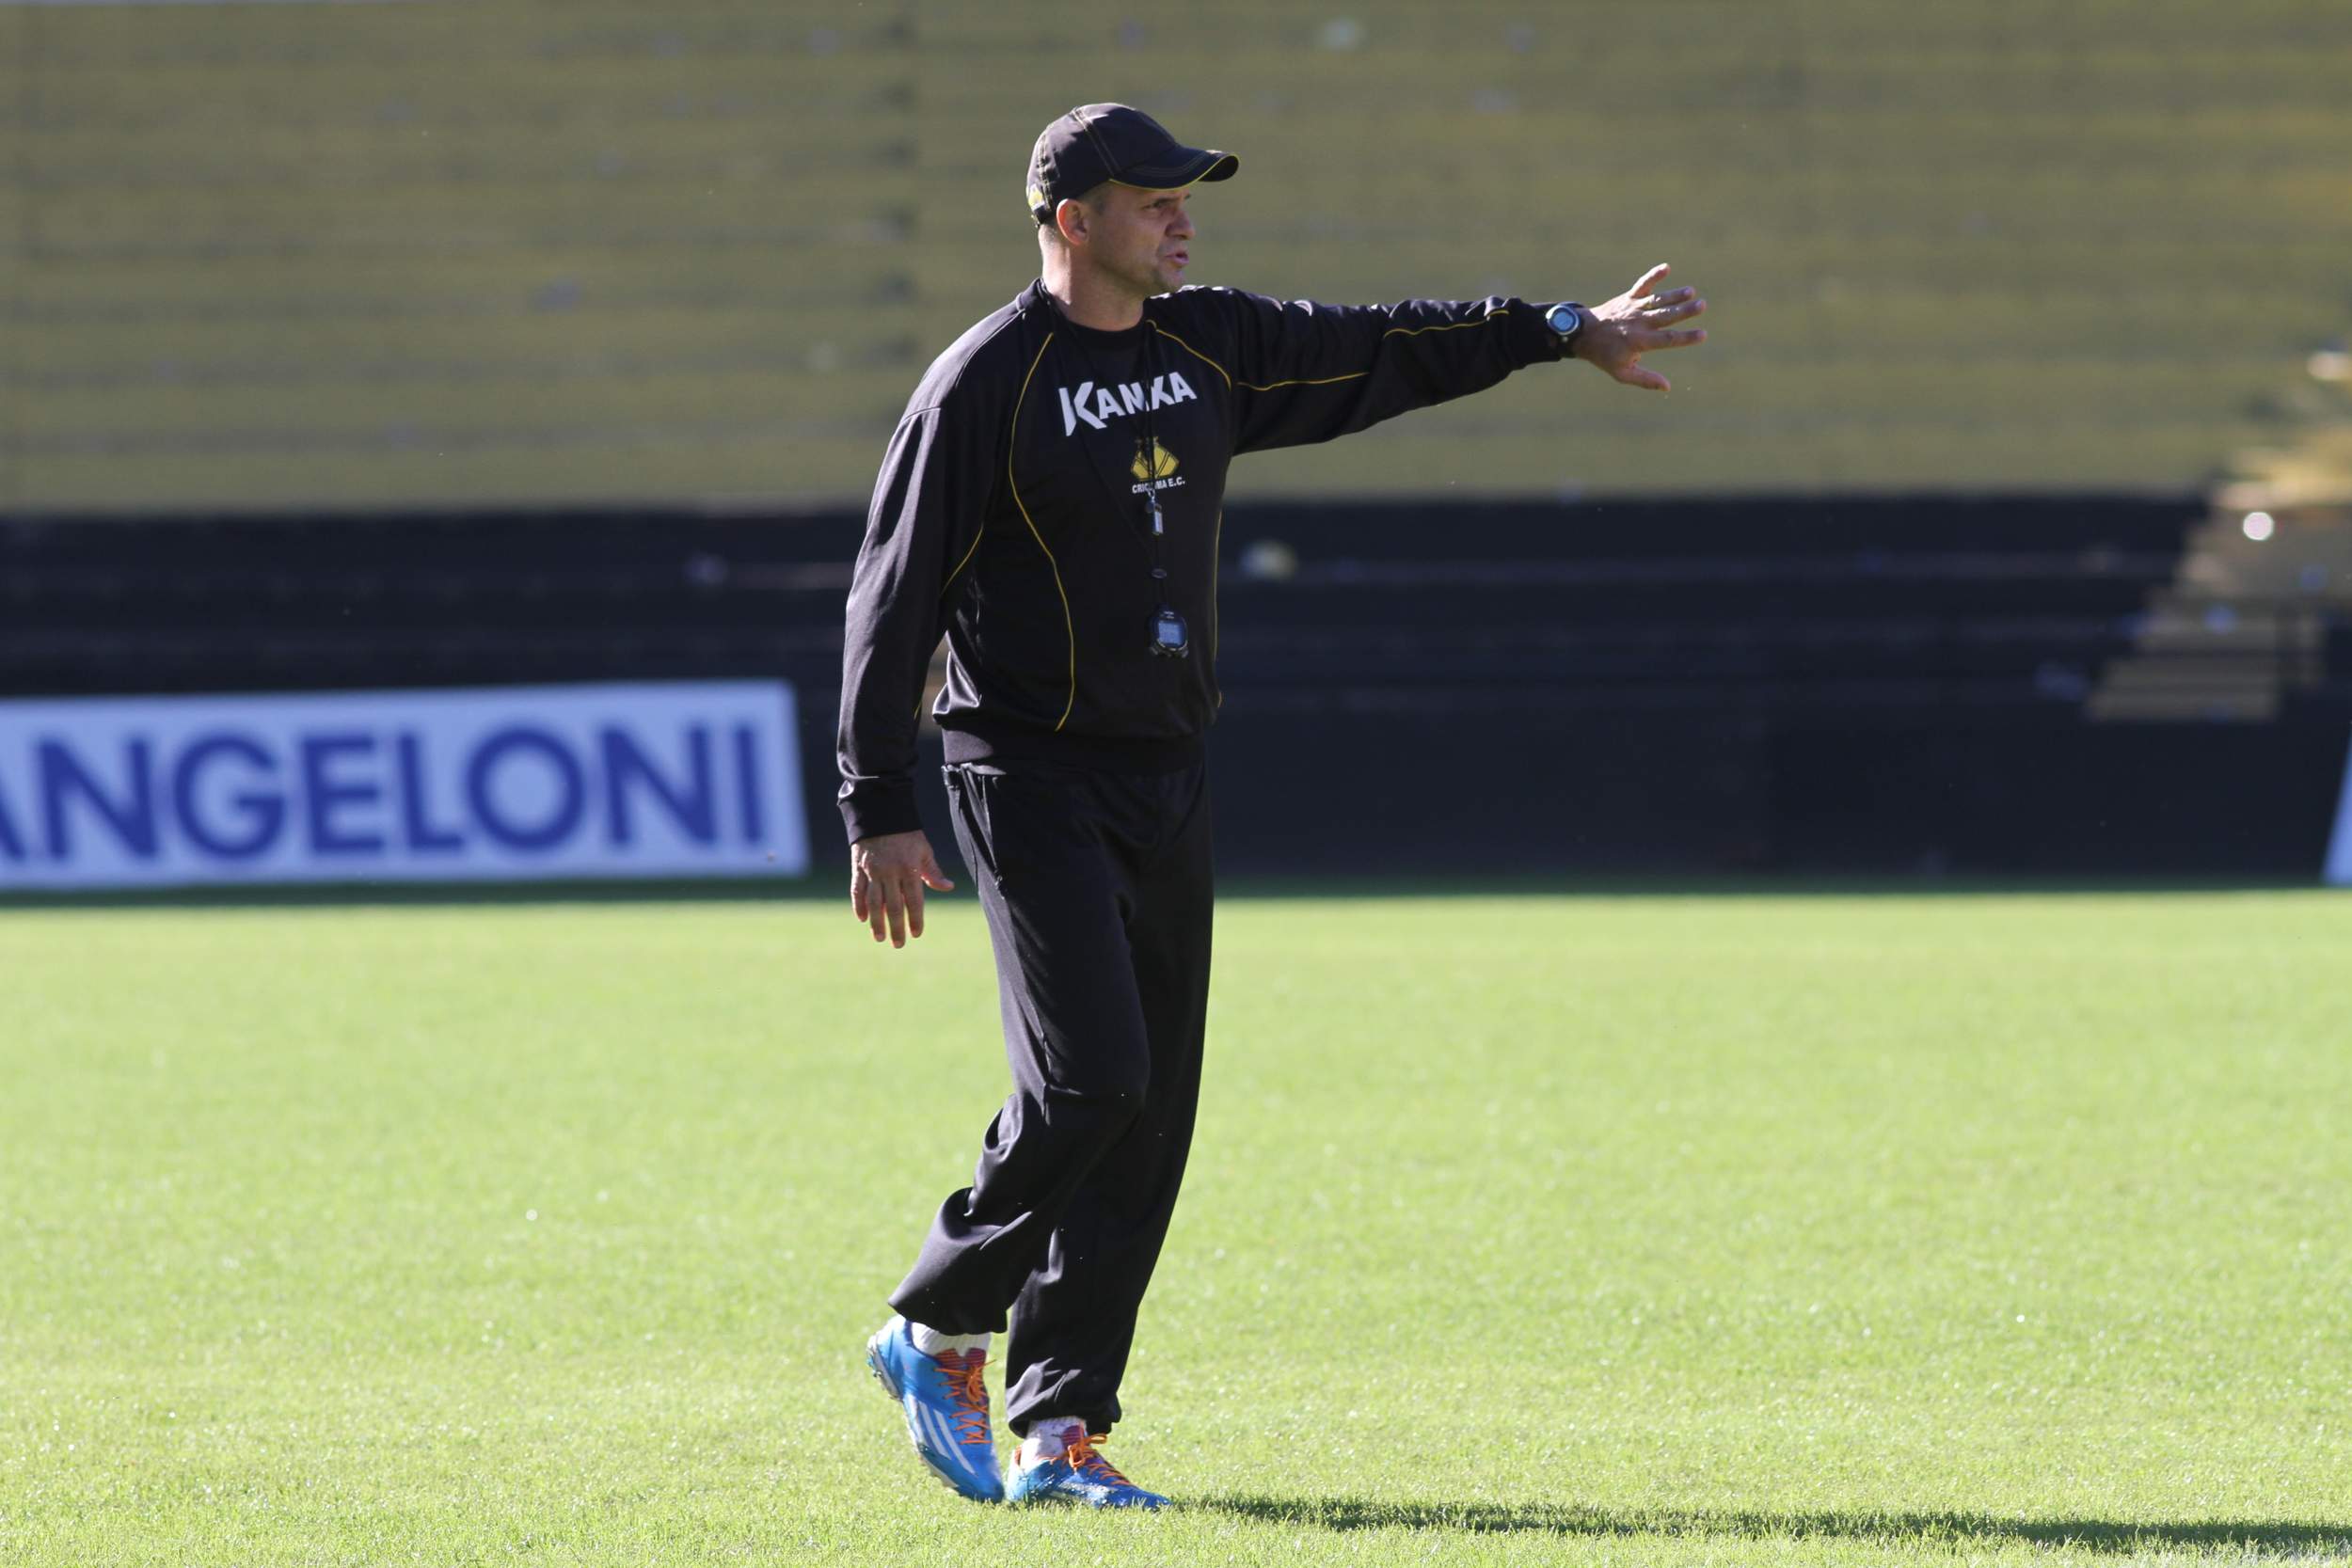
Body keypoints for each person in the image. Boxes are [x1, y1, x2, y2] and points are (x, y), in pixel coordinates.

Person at [839, 103, 1707, 1510]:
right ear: (1071, 220)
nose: (1182, 218)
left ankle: (1060, 1433)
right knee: (1093, 1080)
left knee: (1152, 1112)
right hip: (1024, 770)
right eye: (1152, 199)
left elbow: (1383, 344)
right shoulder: (984, 384)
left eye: (1188, 198)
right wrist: (879, 804)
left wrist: (1559, 327)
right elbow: (890, 604)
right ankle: (936, 1321)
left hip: (1165, 770)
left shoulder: (1212, 342)